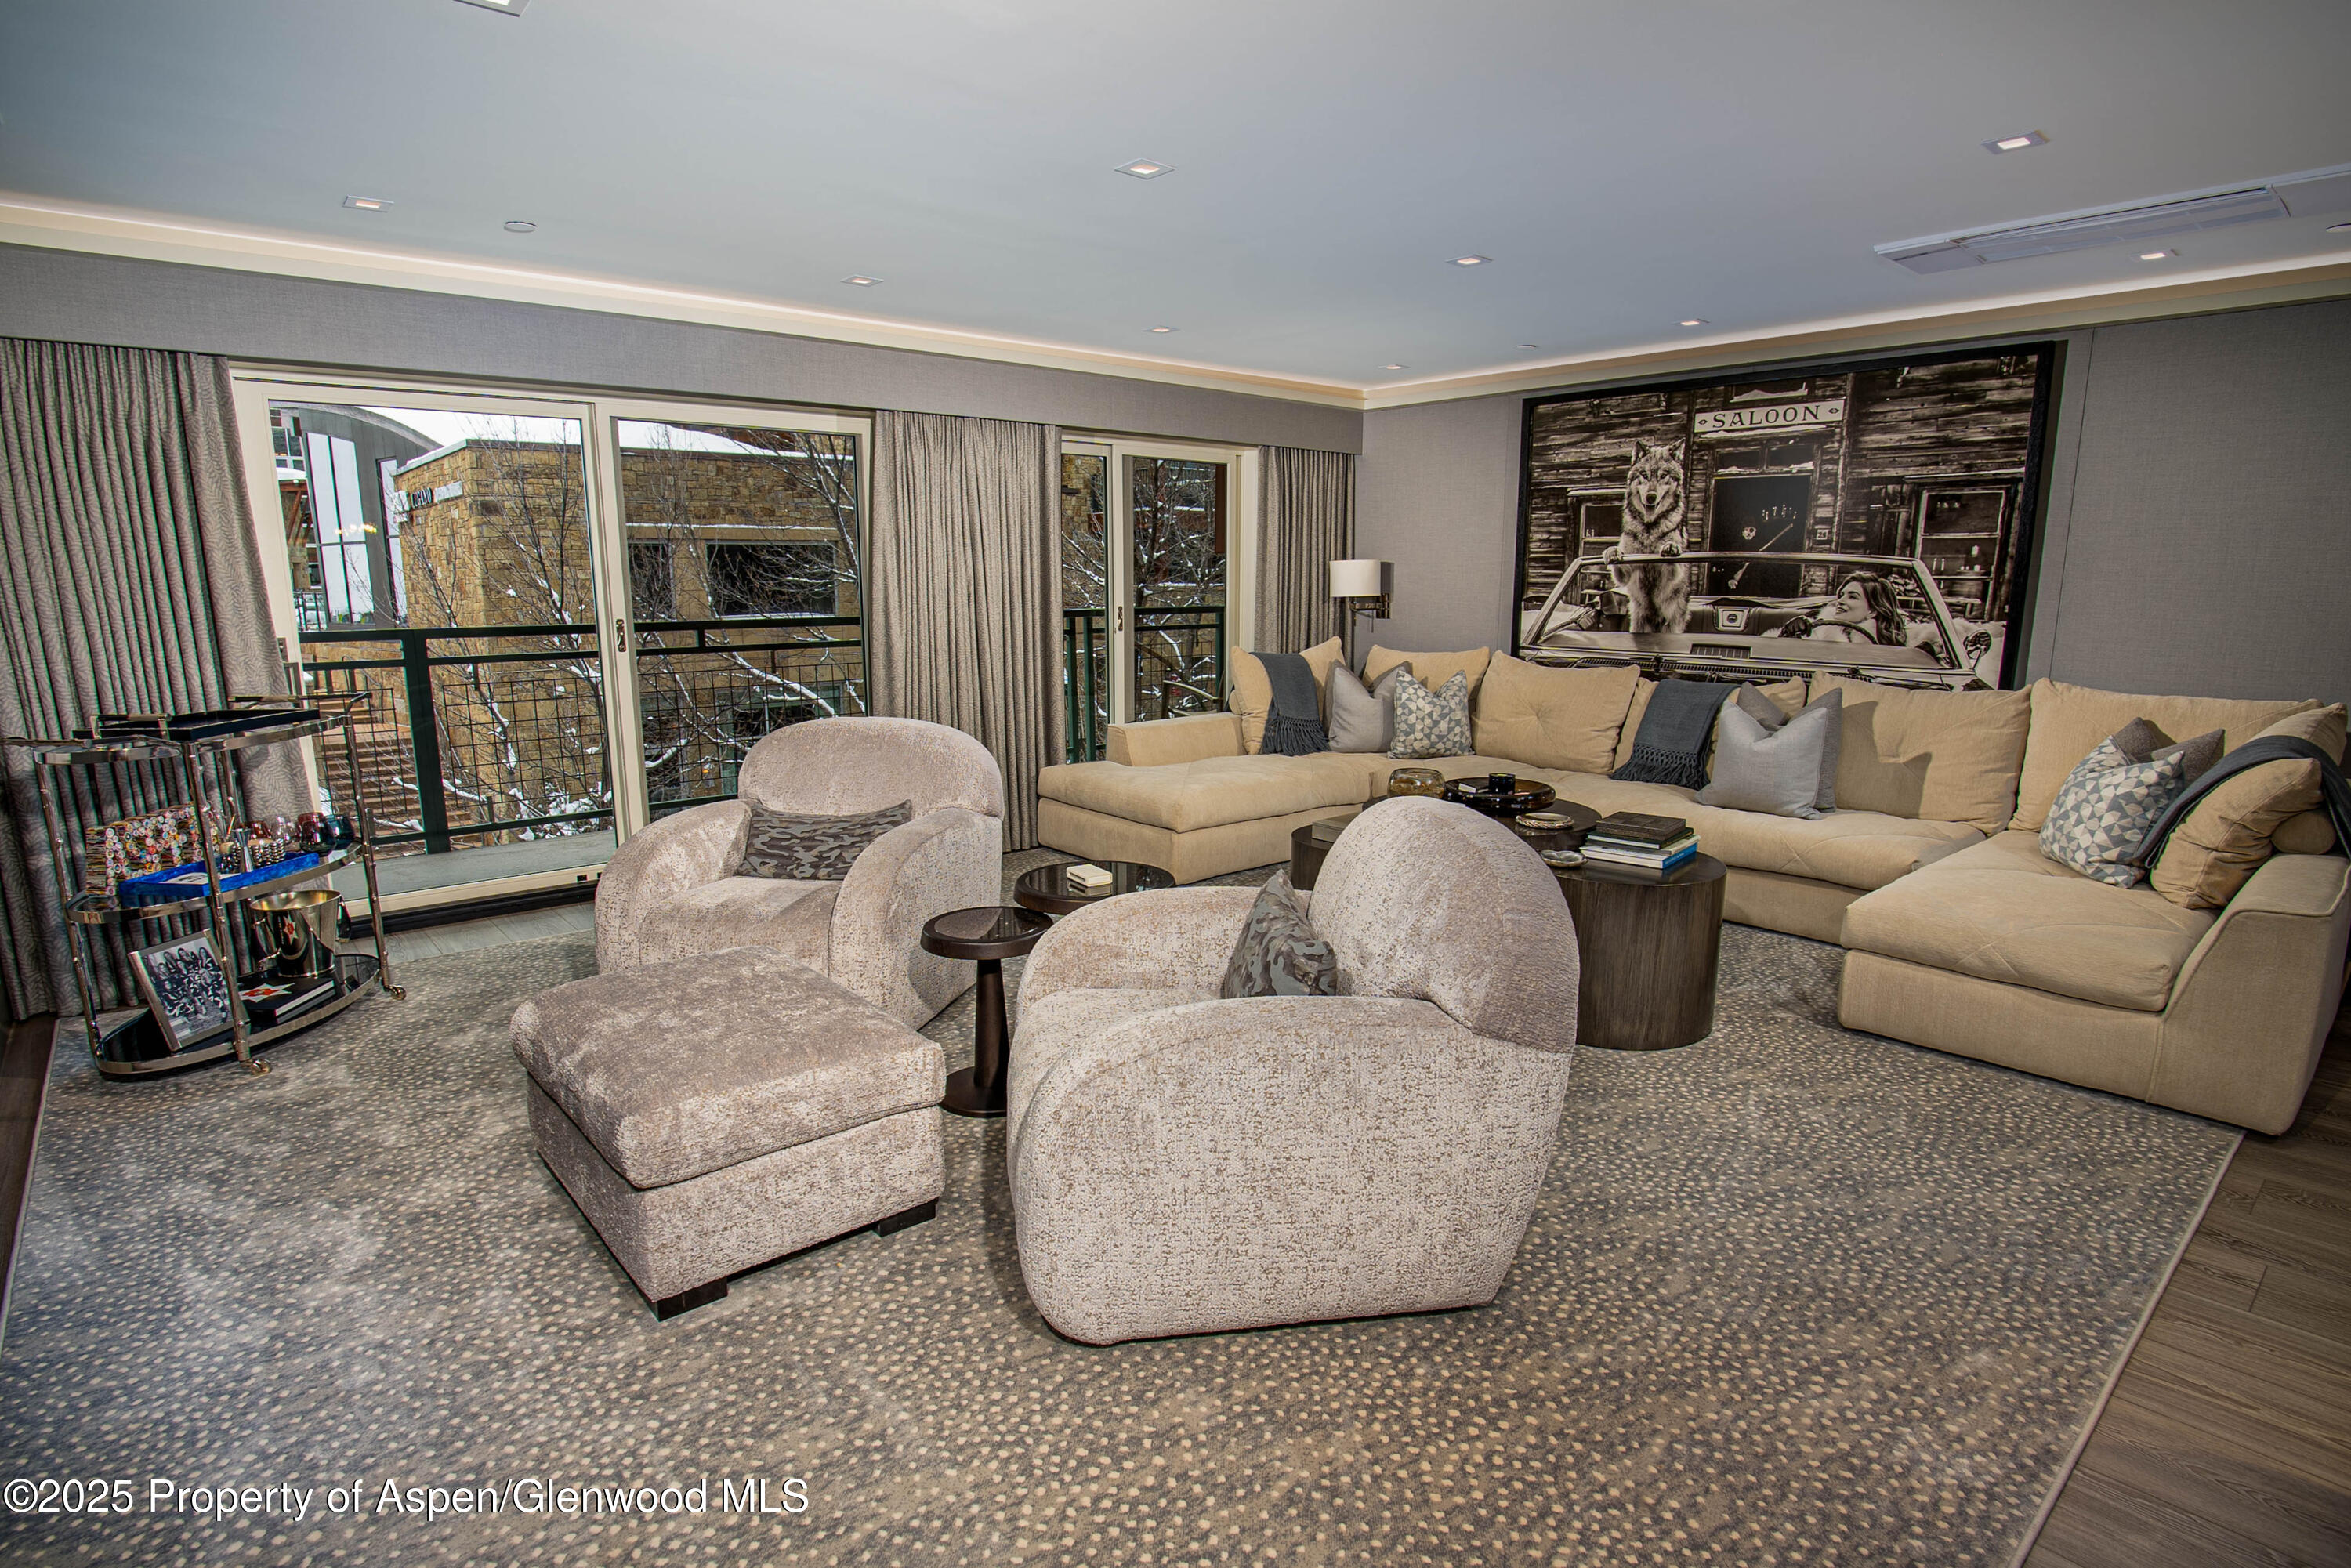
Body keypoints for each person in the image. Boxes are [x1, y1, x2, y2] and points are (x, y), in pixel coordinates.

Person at [1766, 572, 1907, 646]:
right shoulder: (1815, 631)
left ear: (1872, 611)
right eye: (1841, 595)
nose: (1840, 601)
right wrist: (1787, 636)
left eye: (1852, 597)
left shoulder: (1888, 643)